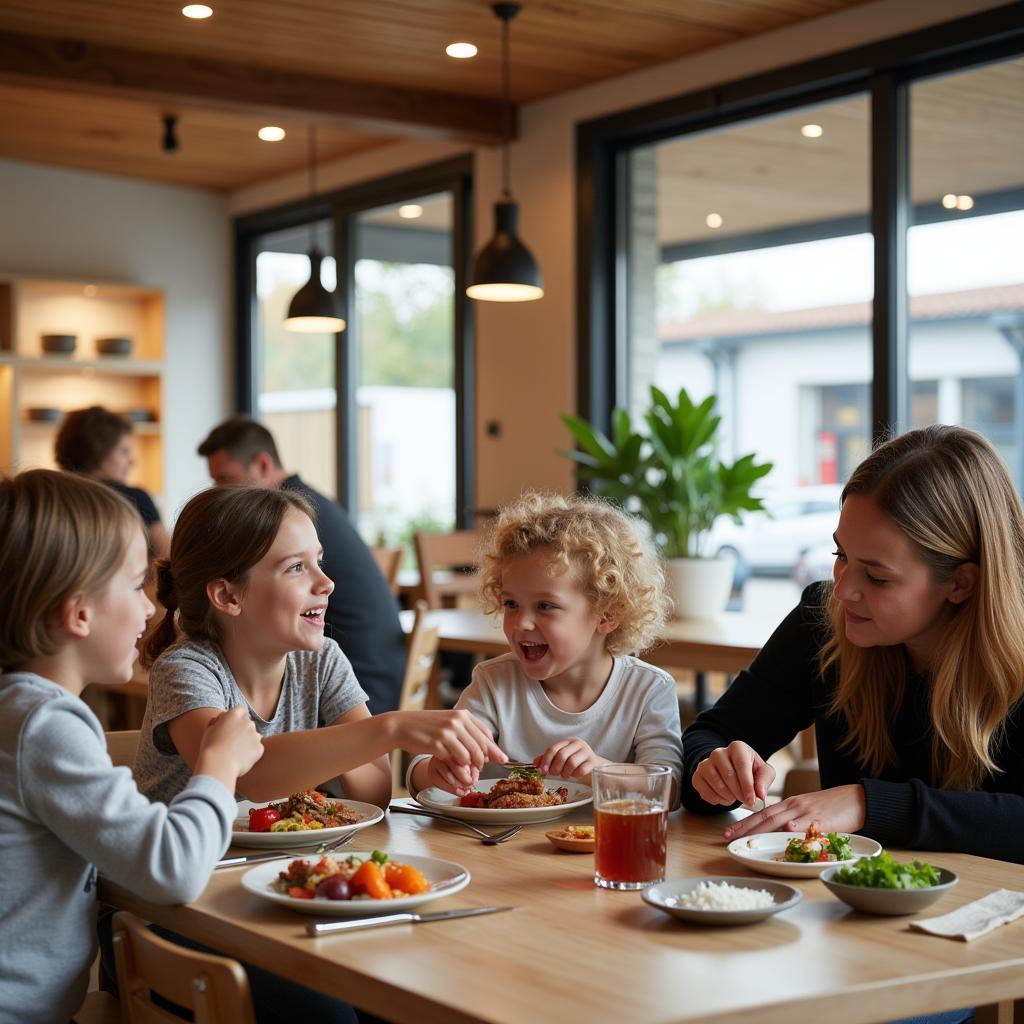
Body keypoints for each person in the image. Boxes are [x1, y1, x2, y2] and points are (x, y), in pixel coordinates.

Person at [682, 425, 1024, 865]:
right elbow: (709, 736)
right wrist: (714, 769)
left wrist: (867, 803)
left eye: (877, 577)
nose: (842, 591)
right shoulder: (820, 622)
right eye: (840, 556)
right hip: (845, 913)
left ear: (961, 583)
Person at [0, 469, 263, 1024]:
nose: (150, 609)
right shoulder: (46, 727)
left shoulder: (19, 710)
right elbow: (172, 868)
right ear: (78, 613)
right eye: (135, 585)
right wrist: (217, 764)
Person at [134, 483, 505, 807]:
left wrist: (391, 756)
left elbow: (374, 793)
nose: (326, 582)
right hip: (194, 877)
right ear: (228, 596)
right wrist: (389, 729)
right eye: (296, 567)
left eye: (320, 561)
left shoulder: (322, 660)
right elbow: (249, 776)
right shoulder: (185, 671)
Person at [409, 491, 683, 803]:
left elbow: (670, 786)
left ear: (608, 613)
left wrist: (600, 770)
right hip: (496, 847)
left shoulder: (647, 689)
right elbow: (420, 770)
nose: (521, 623)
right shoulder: (494, 682)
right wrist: (438, 770)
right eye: (511, 603)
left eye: (545, 605)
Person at [197, 416, 405, 715]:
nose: (220, 493)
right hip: (379, 673)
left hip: (361, 682)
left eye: (226, 480)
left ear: (263, 466)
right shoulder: (307, 506)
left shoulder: (289, 522)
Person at [55, 404, 171, 558]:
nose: (132, 461)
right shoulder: (135, 499)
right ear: (98, 451)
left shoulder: (51, 494)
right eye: (124, 451)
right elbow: (169, 557)